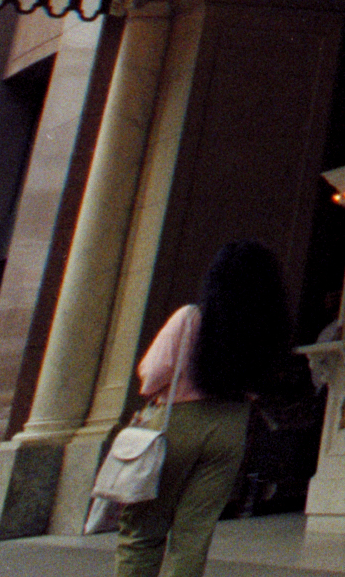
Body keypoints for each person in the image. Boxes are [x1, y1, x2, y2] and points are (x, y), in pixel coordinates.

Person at [121, 239, 293, 577]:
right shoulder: (267, 330)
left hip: (178, 422)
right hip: (231, 426)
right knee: (194, 535)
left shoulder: (190, 317)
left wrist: (153, 391)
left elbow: (152, 372)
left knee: (143, 530)